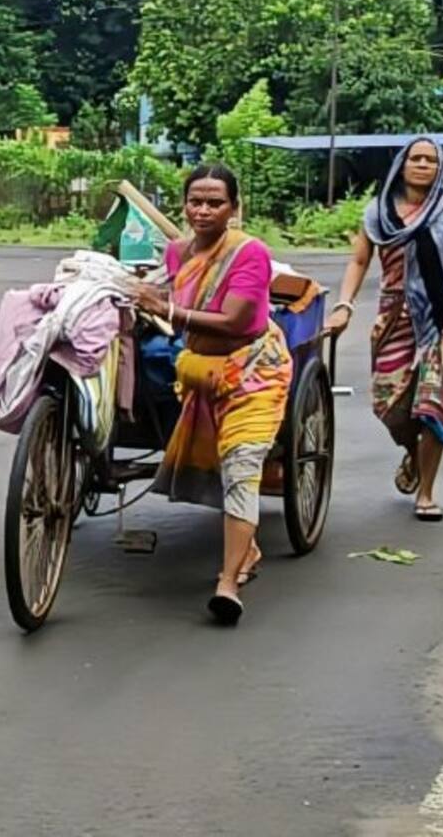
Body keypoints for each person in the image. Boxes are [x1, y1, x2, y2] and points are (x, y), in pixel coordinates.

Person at [133, 163, 287, 627]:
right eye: (195, 201)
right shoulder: (177, 253)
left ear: (233, 208)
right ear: (184, 205)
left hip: (255, 372)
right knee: (222, 465)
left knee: (241, 468)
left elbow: (237, 321)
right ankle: (248, 547)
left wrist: (169, 310)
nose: (203, 210)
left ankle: (228, 583)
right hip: (203, 371)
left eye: (214, 202)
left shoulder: (250, 254)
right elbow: (160, 294)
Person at [325, 138, 443, 522]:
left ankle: (426, 493)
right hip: (393, 317)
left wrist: (440, 297)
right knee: (390, 406)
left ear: (440, 167)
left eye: (431, 159)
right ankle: (413, 451)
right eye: (416, 158)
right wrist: (344, 305)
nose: (423, 165)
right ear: (402, 163)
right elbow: (360, 260)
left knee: (434, 407)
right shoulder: (378, 213)